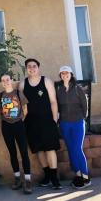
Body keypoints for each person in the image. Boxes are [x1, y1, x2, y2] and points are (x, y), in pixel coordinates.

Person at [19, 58, 62, 189]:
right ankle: (47, 175)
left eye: (34, 66)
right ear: (26, 69)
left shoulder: (46, 81)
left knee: (50, 148)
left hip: (47, 120)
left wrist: (54, 119)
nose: (31, 68)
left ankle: (55, 178)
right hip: (31, 122)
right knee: (39, 150)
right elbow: (21, 105)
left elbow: (53, 101)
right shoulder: (22, 84)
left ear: (38, 68)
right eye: (29, 67)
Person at [0, 73, 32, 194]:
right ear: (1, 82)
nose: (5, 82)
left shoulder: (18, 93)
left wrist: (20, 119)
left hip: (19, 125)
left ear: (11, 80)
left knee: (23, 152)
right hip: (6, 126)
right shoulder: (0, 96)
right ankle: (17, 178)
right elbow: (1, 111)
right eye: (3, 80)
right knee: (12, 153)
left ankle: (27, 180)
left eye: (7, 79)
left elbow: (25, 108)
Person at [56, 66, 91, 189]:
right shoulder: (58, 90)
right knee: (71, 149)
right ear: (60, 75)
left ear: (71, 75)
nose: (65, 75)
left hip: (77, 123)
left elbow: (85, 105)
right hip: (65, 124)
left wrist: (82, 118)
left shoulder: (77, 89)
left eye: (67, 73)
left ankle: (86, 177)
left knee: (77, 149)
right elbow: (57, 106)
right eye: (63, 73)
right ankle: (78, 175)